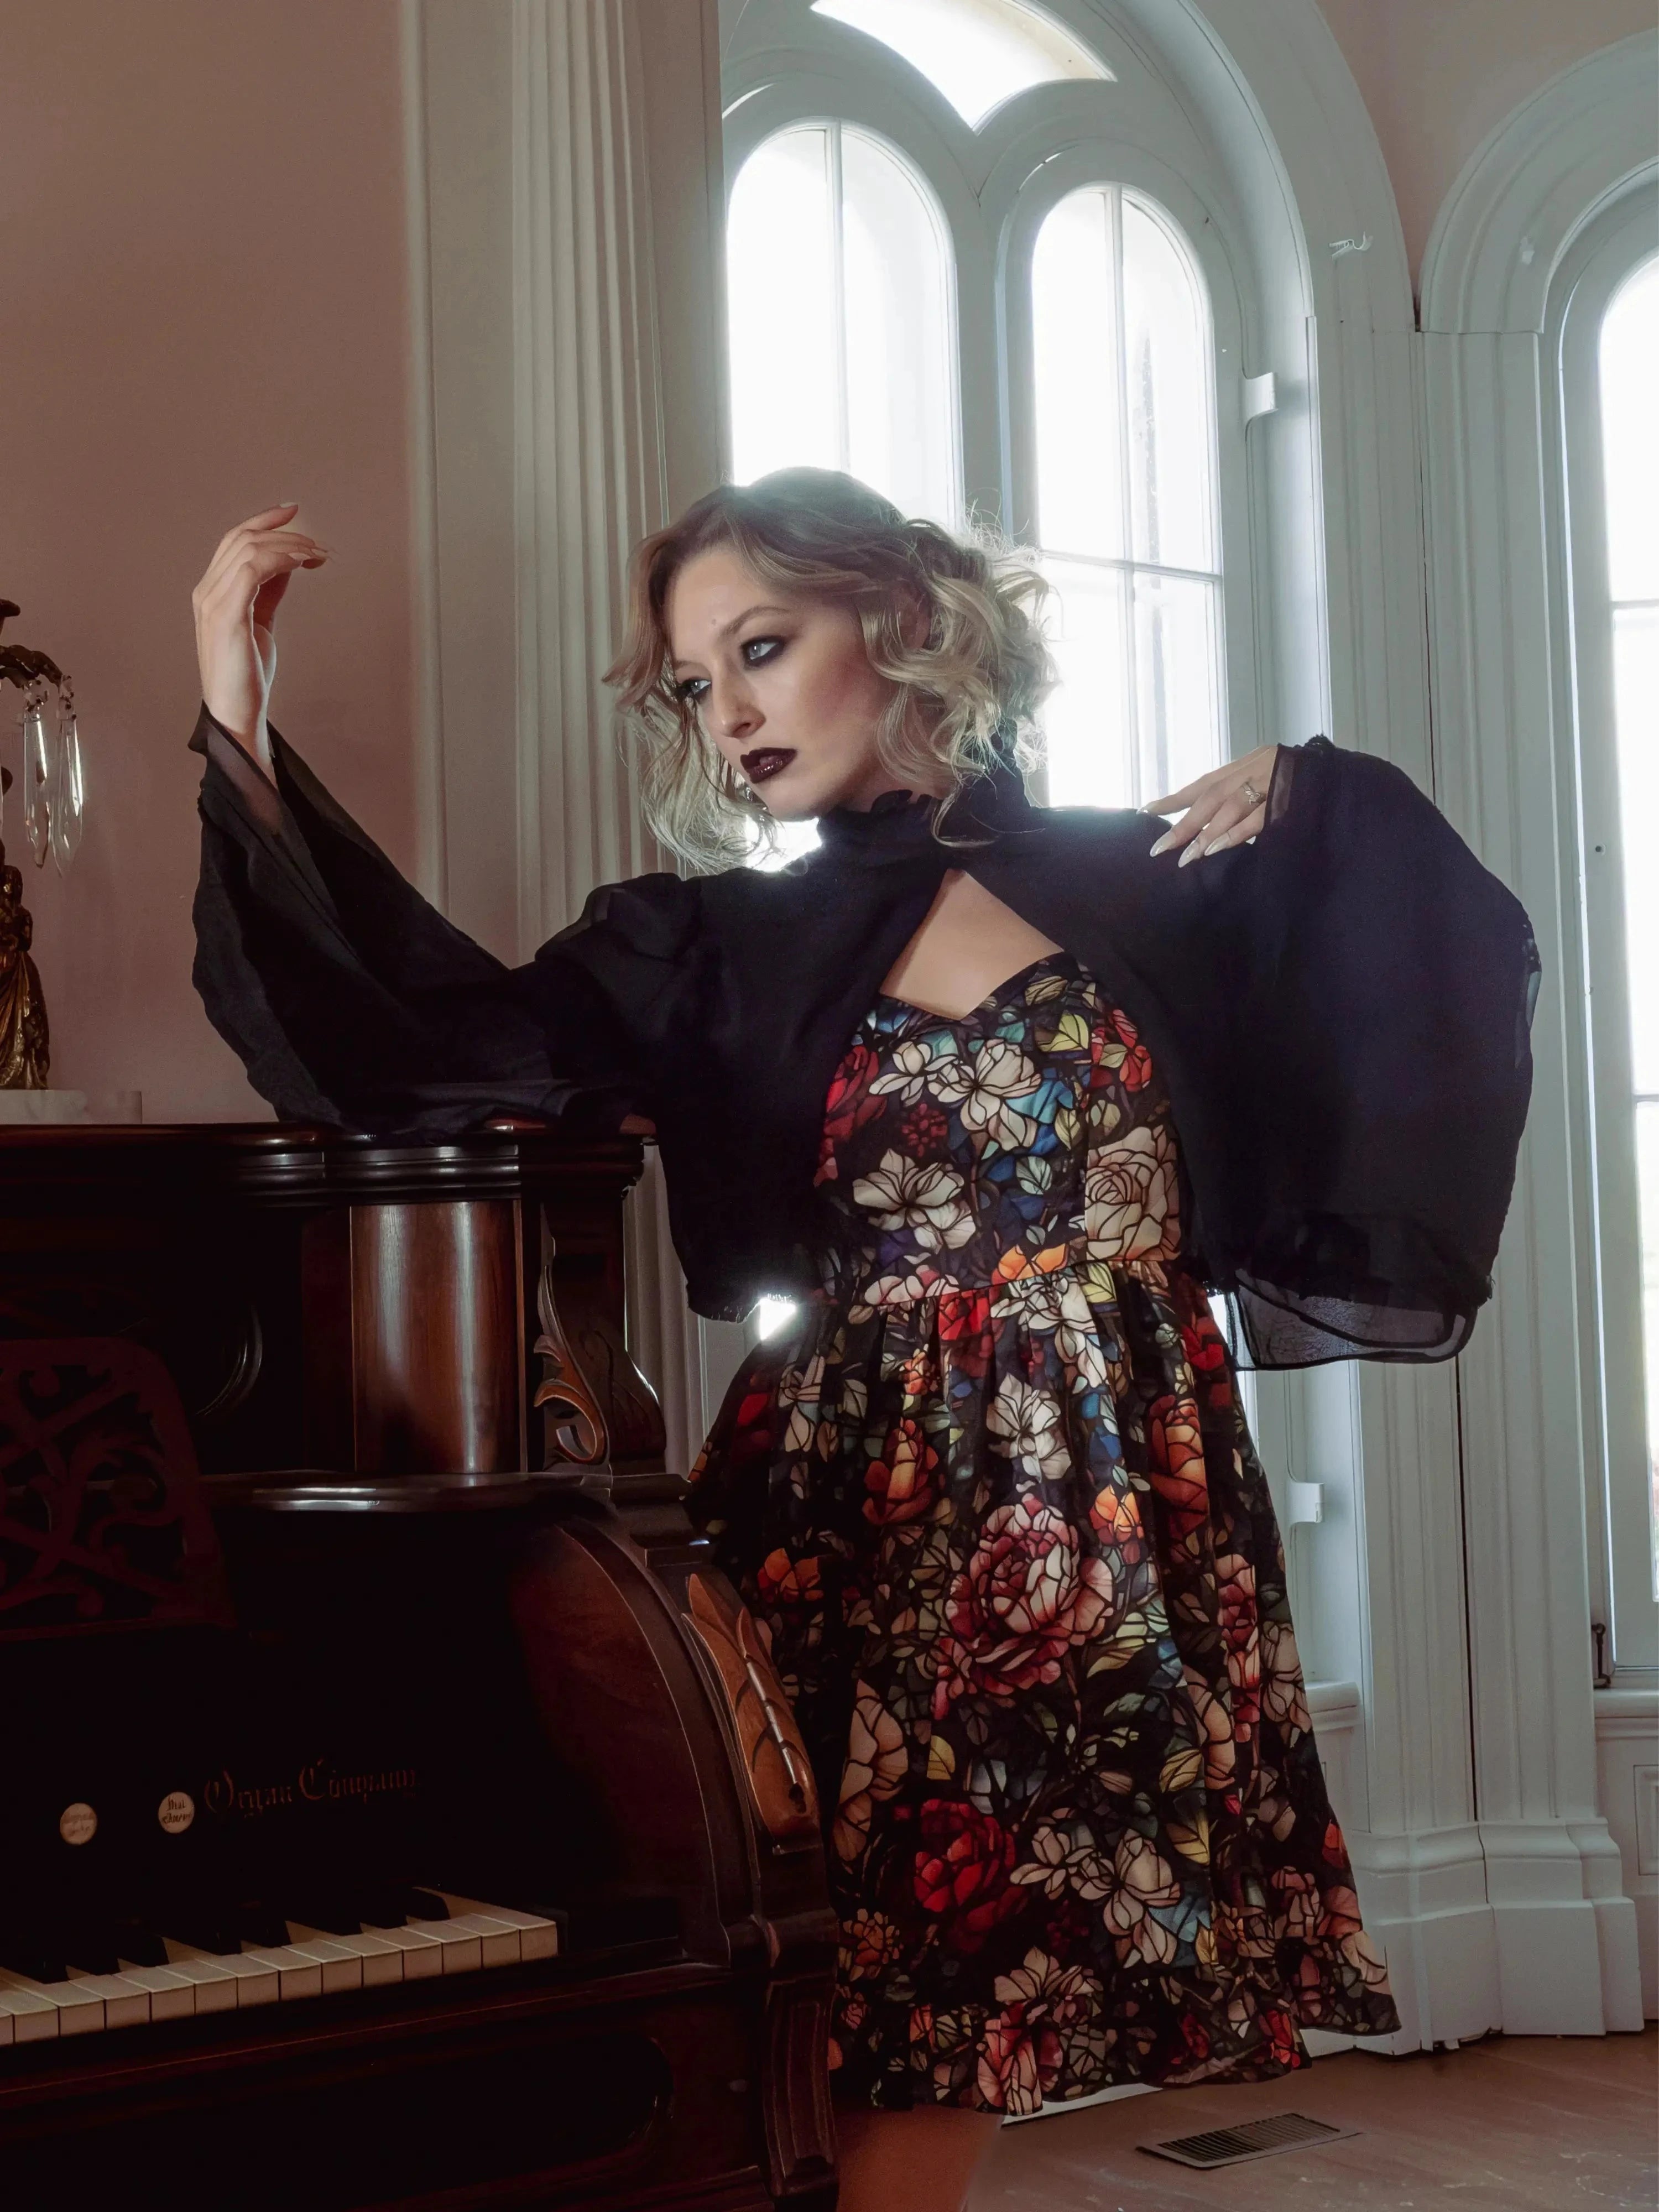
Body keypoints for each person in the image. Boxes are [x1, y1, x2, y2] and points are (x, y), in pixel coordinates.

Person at [189, 471, 1537, 2212]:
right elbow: (416, 1045)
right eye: (694, 683)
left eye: (762, 647)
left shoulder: (1163, 888)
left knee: (960, 2013)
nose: (729, 712)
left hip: (1116, 1503)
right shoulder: (706, 945)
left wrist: (1318, 794)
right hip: (852, 1506)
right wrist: (236, 701)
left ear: (905, 624)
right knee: (850, 2005)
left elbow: (1439, 976)